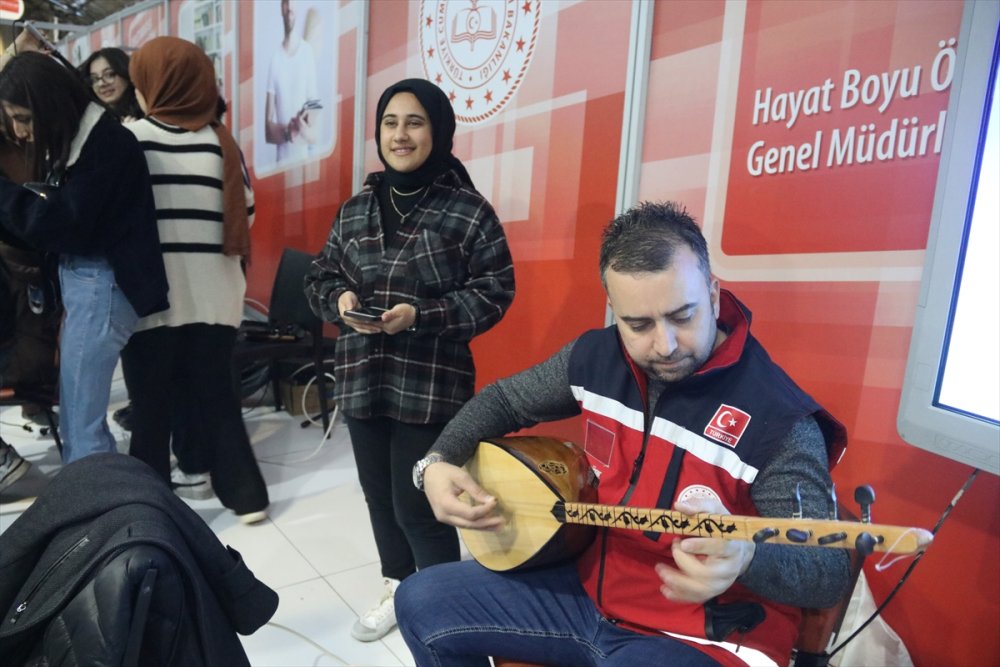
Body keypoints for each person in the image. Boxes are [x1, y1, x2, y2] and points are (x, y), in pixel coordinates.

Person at [395, 201, 850, 667]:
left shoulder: (781, 418)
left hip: (706, 636)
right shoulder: (597, 357)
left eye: (682, 316)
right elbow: (504, 400)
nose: (664, 344)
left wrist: (747, 556)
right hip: (590, 593)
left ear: (713, 295)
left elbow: (825, 570)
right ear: (615, 310)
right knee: (421, 601)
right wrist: (439, 461)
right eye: (639, 324)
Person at [305, 78, 515, 641]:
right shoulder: (355, 209)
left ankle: (448, 606)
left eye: (414, 122)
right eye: (390, 122)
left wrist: (421, 315)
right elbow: (320, 277)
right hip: (360, 378)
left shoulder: (467, 211)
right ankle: (399, 587)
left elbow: (496, 291)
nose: (400, 134)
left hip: (430, 382)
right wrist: (339, 301)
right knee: (379, 497)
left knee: (419, 501)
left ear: (439, 131)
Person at [121, 36, 269, 524]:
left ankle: (150, 511)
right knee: (219, 401)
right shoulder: (220, 141)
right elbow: (245, 210)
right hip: (216, 299)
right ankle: (247, 499)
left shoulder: (131, 139)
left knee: (150, 412)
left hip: (152, 301)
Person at [0, 51, 168, 465]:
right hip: (91, 283)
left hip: (103, 285)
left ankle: (97, 516)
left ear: (49, 105)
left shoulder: (105, 143)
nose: (20, 132)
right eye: (12, 121)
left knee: (82, 425)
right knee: (80, 418)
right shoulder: (83, 140)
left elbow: (63, 224)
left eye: (24, 118)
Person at [264, 0, 319, 164]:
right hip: (281, 163)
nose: (289, 8)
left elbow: (315, 114)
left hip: (305, 160)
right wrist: (289, 132)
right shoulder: (275, 60)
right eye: (286, 3)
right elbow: (268, 130)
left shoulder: (307, 53)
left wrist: (303, 129)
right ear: (281, 7)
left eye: (293, 3)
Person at [78, 47, 143, 122]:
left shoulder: (146, 110)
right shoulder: (93, 120)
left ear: (126, 72)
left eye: (109, 74)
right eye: (94, 79)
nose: (101, 83)